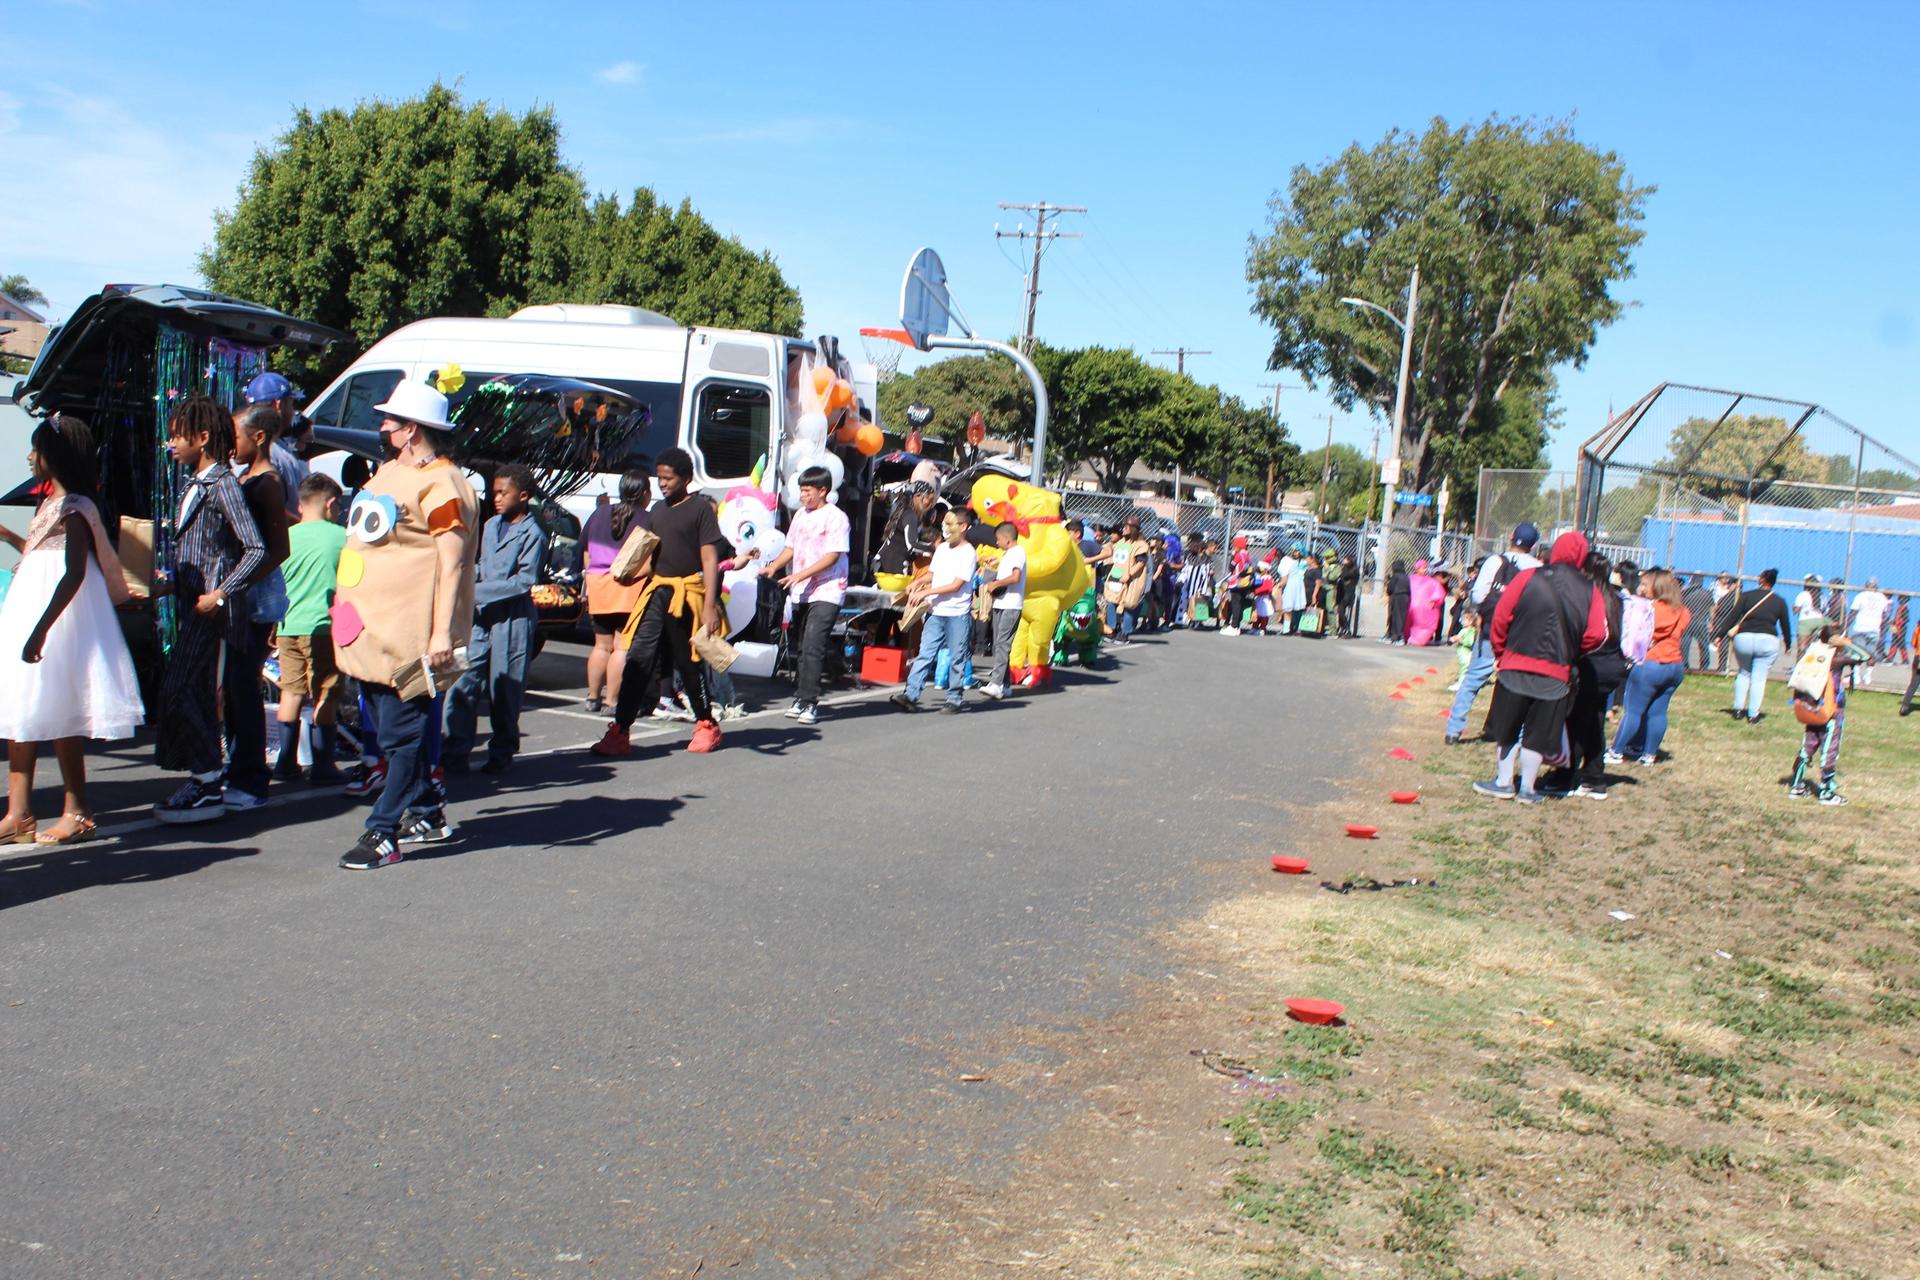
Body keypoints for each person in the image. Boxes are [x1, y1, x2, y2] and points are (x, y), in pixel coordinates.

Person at [330, 379, 480, 870]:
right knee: (388, 724)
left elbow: (452, 562)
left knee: (404, 732)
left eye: (390, 423)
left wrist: (440, 635)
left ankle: (383, 830)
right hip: (371, 631)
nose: (382, 429)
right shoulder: (390, 471)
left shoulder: (444, 484)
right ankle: (427, 810)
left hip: (415, 637)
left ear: (412, 429)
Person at [0, 415, 144, 844]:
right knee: (23, 709)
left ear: (55, 456)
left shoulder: (78, 507)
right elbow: (41, 553)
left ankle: (77, 808)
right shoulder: (49, 505)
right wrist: (7, 534)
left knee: (62, 705)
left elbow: (74, 572)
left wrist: (42, 628)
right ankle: (19, 812)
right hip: (32, 604)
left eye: (36, 449)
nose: (30, 457)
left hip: (61, 615)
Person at [153, 398, 269, 824]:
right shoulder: (193, 485)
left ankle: (207, 779)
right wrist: (168, 583)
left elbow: (256, 548)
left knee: (181, 689)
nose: (170, 444)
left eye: (177, 436)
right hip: (191, 606)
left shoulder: (223, 484)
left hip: (213, 612)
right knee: (193, 693)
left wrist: (220, 593)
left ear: (202, 439)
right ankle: (204, 777)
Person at [592, 448, 726, 758]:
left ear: (686, 478)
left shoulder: (700, 510)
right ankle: (620, 730)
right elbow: (653, 559)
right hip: (657, 592)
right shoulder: (658, 511)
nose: (663, 483)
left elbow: (709, 557)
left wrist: (708, 604)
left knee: (688, 663)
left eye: (669, 478)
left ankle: (707, 723)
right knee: (638, 658)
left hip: (686, 594)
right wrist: (631, 575)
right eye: (660, 478)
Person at [1473, 530, 1606, 803]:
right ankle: (1528, 789)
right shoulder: (1590, 591)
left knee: (1508, 727)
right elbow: (1598, 634)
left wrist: (1501, 652)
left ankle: (1503, 781)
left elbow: (1501, 618)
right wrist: (1573, 650)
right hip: (1557, 672)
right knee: (1539, 732)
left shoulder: (1527, 577)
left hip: (1515, 665)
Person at [446, 463, 547, 774]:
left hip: (512, 620)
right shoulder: (490, 525)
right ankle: (454, 750)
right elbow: (479, 563)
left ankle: (501, 751)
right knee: (462, 681)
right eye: (494, 492)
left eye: (504, 492)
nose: (497, 497)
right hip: (478, 619)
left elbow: (523, 581)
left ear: (524, 495)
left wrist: (477, 591)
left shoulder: (534, 533)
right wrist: (464, 580)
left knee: (505, 689)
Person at [224, 402, 293, 810]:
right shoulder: (245, 477)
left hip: (256, 598)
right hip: (242, 594)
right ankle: (239, 767)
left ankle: (251, 777)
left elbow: (277, 548)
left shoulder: (266, 481)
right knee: (234, 686)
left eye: (235, 435)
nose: (231, 443)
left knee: (242, 687)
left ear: (259, 437)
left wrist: (238, 581)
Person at [271, 473, 349, 786]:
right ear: (330, 504)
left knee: (291, 691)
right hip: (324, 627)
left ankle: (286, 762)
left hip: (287, 625)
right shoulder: (341, 537)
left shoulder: (286, 537)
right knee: (325, 693)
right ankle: (323, 764)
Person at [760, 464, 850, 726]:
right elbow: (790, 547)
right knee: (800, 647)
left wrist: (801, 574)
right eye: (801, 490)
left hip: (828, 589)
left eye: (808, 490)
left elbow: (833, 556)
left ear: (823, 491)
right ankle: (800, 696)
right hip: (800, 590)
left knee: (813, 645)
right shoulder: (800, 515)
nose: (803, 495)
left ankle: (809, 702)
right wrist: (774, 566)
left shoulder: (836, 517)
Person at [1444, 523, 1540, 744]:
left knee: (1472, 681)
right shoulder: (1537, 567)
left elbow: (1478, 595)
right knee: (1517, 685)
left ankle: (1454, 730)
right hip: (1519, 634)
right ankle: (1516, 734)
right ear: (1533, 545)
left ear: (1510, 537)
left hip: (1491, 630)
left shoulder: (1495, 561)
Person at [1554, 551, 1627, 800]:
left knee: (1575, 719)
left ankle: (1566, 774)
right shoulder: (1616, 599)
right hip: (1612, 664)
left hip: (1591, 663)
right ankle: (1594, 776)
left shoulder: (1587, 597)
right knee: (1594, 718)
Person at [580, 467, 653, 714]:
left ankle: (592, 698)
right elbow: (650, 562)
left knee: (601, 646)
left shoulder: (599, 514)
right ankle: (612, 701)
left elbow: (586, 552)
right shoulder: (646, 518)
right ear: (644, 493)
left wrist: (593, 578)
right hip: (629, 588)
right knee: (622, 646)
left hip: (598, 585)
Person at [891, 508, 977, 713]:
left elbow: (956, 585)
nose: (945, 529)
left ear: (963, 527)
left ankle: (954, 699)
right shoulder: (942, 549)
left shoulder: (968, 553)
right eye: (944, 524)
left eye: (950, 524)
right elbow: (932, 573)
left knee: (957, 656)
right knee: (925, 654)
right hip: (935, 612)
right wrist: (917, 583)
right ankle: (911, 695)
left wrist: (925, 592)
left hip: (957, 614)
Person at [1608, 568, 1690, 765]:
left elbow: (1635, 632)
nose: (1641, 588)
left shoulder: (1648, 609)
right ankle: (1648, 753)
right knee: (1658, 711)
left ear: (1657, 587)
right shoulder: (1682, 610)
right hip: (1675, 665)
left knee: (1633, 710)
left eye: (1645, 584)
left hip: (1651, 664)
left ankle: (1616, 751)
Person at [1788, 625, 1864, 805]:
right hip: (1831, 712)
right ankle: (1826, 792)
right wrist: (1848, 644)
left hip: (1811, 707)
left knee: (1808, 745)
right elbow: (1868, 658)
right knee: (1829, 750)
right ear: (1837, 640)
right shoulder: (1837, 660)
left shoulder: (1813, 655)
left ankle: (1797, 786)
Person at [1717, 568, 1794, 723]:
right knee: (1759, 678)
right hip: (1767, 640)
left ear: (1762, 580)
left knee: (1744, 673)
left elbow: (1733, 616)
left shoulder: (1747, 596)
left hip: (1744, 638)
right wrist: (1788, 643)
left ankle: (1738, 710)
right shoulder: (1779, 601)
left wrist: (1720, 634)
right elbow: (1785, 624)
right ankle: (1753, 714)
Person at [243, 371, 308, 518]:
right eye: (291, 403)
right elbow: (271, 510)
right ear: (278, 404)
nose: (293, 410)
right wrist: (303, 525)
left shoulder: (276, 446)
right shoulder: (266, 452)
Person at [978, 520, 1027, 699]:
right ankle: (1005, 684)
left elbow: (1015, 577)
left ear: (1007, 538)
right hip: (1001, 603)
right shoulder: (1009, 554)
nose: (996, 542)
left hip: (1011, 604)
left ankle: (997, 683)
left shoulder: (1018, 553)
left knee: (1002, 644)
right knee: (1000, 643)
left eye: (998, 539)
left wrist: (996, 583)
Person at [1102, 516, 1150, 644]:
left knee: (1128, 605)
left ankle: (1125, 633)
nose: (1123, 529)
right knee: (1112, 602)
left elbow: (1141, 563)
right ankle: (1112, 629)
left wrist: (1129, 574)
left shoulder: (1140, 545)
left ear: (1133, 529)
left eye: (1126, 526)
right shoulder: (1121, 542)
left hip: (1131, 580)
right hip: (1116, 578)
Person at [1846, 578, 1891, 686]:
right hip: (1875, 629)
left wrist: (1847, 627)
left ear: (1866, 586)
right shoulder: (1882, 598)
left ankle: (1855, 676)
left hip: (1861, 628)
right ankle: (1867, 676)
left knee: (1857, 653)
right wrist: (1883, 628)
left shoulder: (1861, 596)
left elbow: (1853, 612)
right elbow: (1885, 615)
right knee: (1871, 654)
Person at [1405, 559, 1445, 646]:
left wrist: (1435, 601)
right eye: (1423, 568)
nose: (1425, 570)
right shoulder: (1410, 579)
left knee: (1424, 624)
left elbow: (1438, 592)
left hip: (1425, 609)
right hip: (1412, 607)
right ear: (1417, 569)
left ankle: (1420, 639)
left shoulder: (1431, 581)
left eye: (1426, 568)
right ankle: (1410, 637)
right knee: (1410, 623)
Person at [1680, 574, 1715, 671]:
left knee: (1685, 643)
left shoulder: (1686, 593)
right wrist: (1711, 621)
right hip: (1701, 621)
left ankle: (1684, 664)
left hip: (1687, 621)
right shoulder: (1707, 593)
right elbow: (1712, 608)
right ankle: (1704, 666)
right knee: (1704, 644)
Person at [1794, 574, 1826, 654]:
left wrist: (1794, 607)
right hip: (1819, 621)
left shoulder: (1804, 594)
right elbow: (1824, 610)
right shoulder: (1822, 596)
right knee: (1813, 646)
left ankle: (1799, 665)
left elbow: (1796, 610)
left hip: (1806, 621)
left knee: (1802, 647)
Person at [1448, 608, 1479, 691]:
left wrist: (1460, 640)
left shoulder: (1470, 631)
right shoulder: (1464, 630)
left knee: (1465, 668)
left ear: (1471, 621)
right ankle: (1461, 681)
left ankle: (1461, 683)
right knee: (1463, 668)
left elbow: (1469, 642)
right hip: (1461, 654)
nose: (1462, 621)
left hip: (1466, 654)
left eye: (1464, 620)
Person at [1383, 559, 1410, 644]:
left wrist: (1388, 591)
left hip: (1397, 597)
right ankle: (1399, 637)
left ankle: (1397, 637)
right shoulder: (1406, 576)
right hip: (1406, 597)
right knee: (1402, 617)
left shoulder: (1396, 576)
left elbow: (1390, 588)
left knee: (1395, 617)